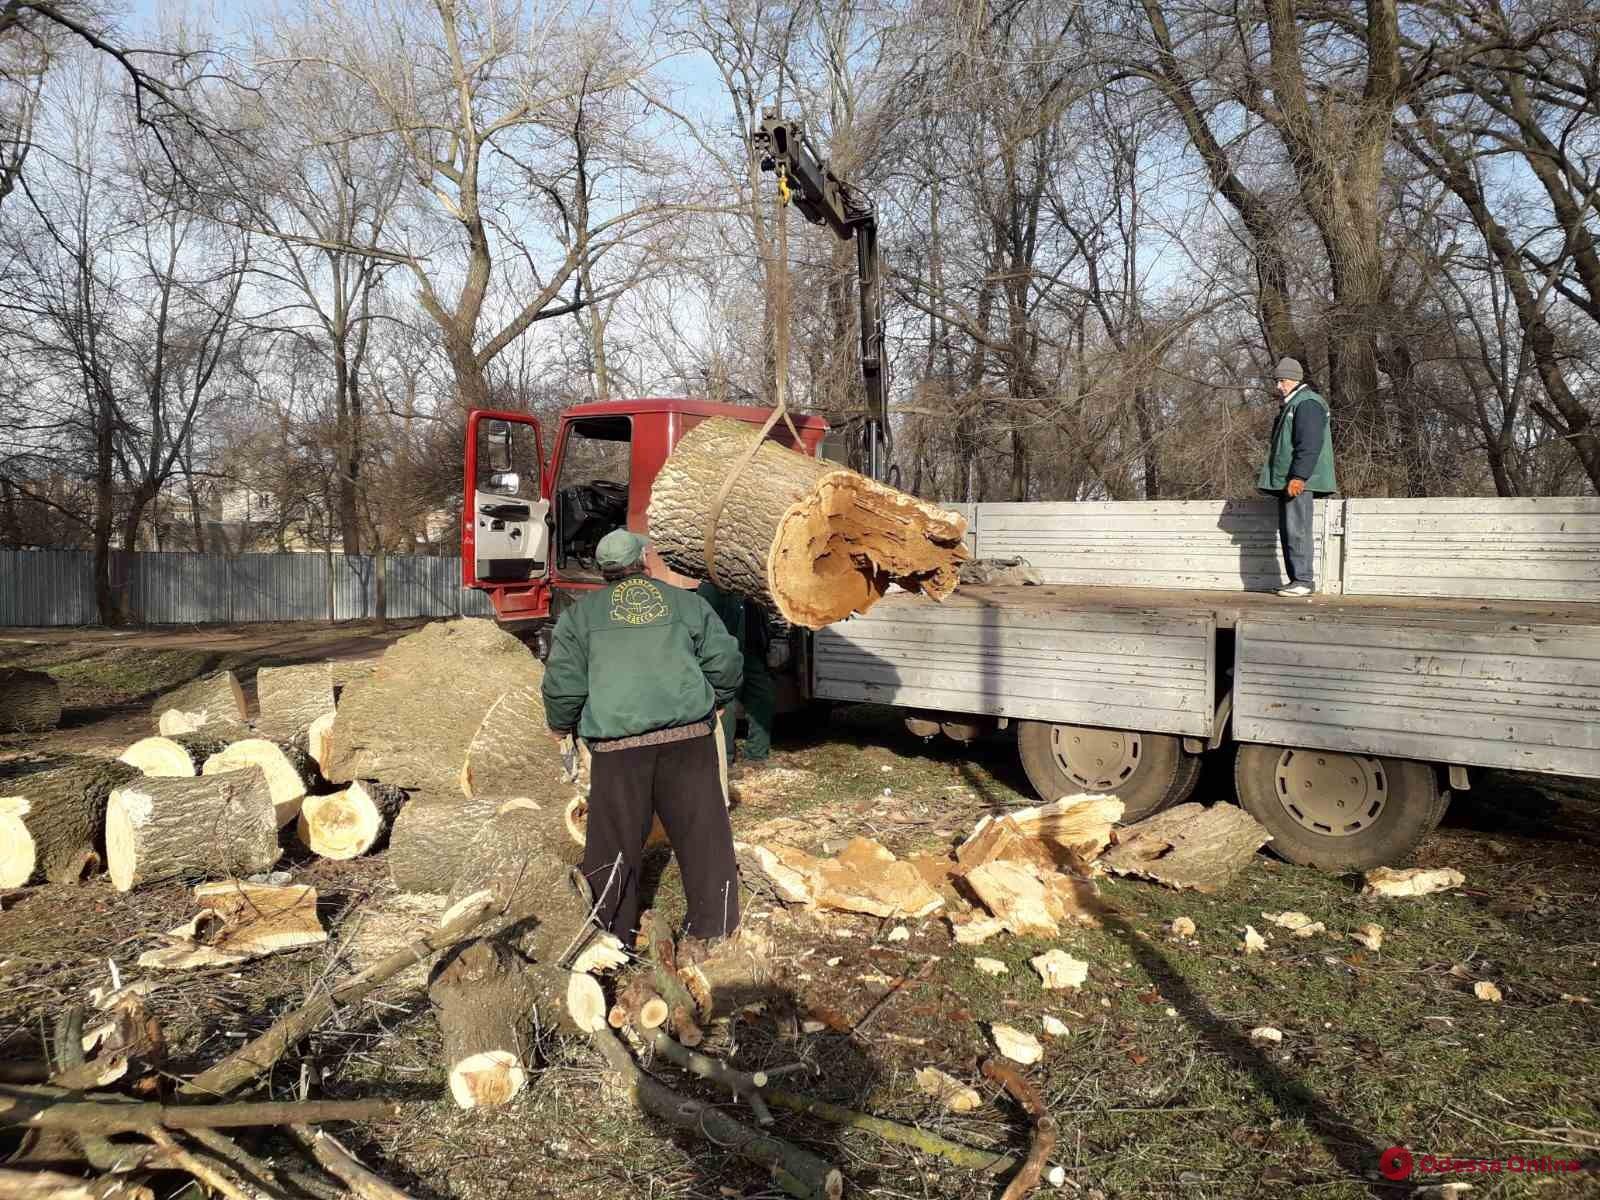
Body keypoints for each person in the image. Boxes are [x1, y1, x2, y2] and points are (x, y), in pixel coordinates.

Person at [542, 529, 744, 951]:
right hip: (688, 739)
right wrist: (720, 697)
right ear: (646, 561)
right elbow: (724, 660)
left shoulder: (580, 616)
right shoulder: (687, 604)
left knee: (612, 843)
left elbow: (564, 683)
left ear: (603, 571)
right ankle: (716, 926)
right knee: (702, 832)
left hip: (620, 749)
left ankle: (613, 933)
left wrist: (561, 725)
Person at [1257, 356, 1337, 597]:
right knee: (1290, 529)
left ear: (1293, 379)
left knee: (1298, 529)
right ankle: (1297, 580)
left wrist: (1299, 477)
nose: (1278, 386)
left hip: (1298, 481)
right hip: (1289, 480)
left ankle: (1303, 580)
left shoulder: (1308, 403)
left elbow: (1309, 444)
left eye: (1281, 380)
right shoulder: (1294, 404)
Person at [695, 580, 777, 774]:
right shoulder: (710, 587)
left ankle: (757, 755)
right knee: (727, 707)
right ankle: (726, 760)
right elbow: (702, 624)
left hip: (752, 653)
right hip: (727, 655)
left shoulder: (752, 583)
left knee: (764, 699)